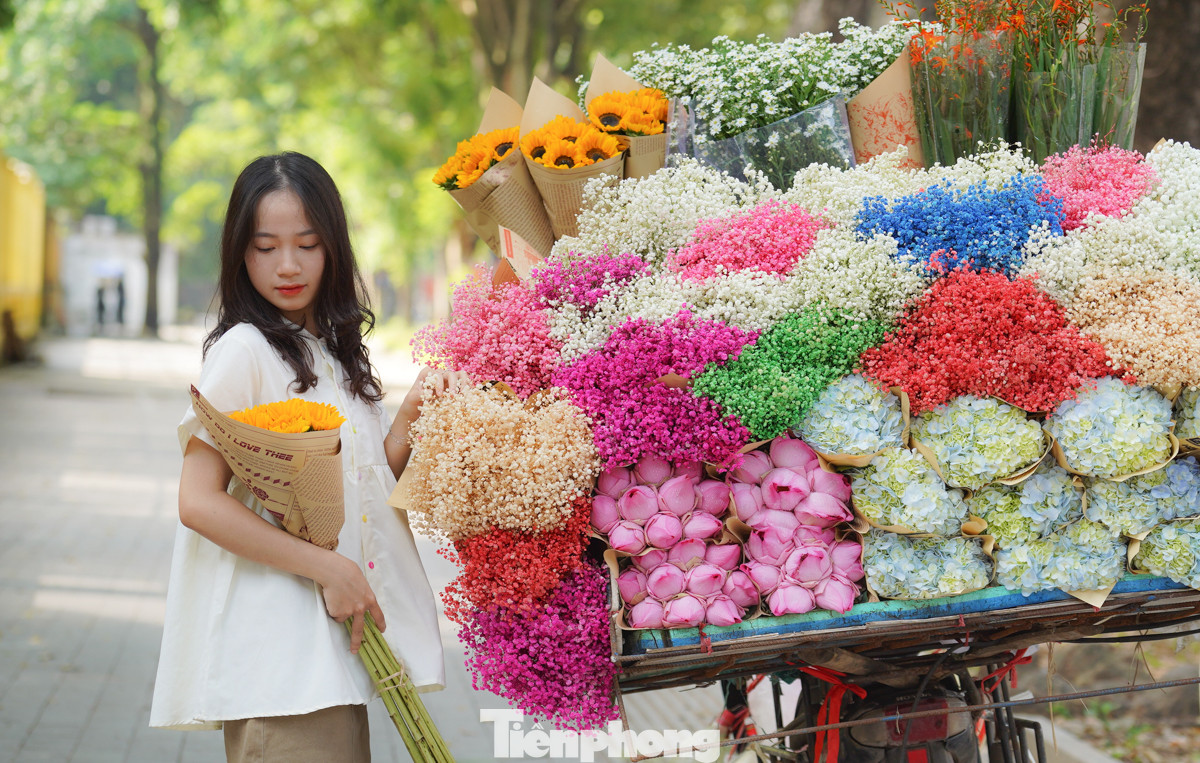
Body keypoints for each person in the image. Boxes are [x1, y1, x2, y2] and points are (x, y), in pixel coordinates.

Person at [150, 152, 463, 762]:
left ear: (334, 249)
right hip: (280, 666)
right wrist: (329, 570)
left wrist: (412, 412)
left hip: (330, 657)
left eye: (307, 244)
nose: (287, 266)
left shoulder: (330, 350)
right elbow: (197, 502)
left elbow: (361, 487)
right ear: (240, 253)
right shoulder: (244, 352)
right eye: (265, 247)